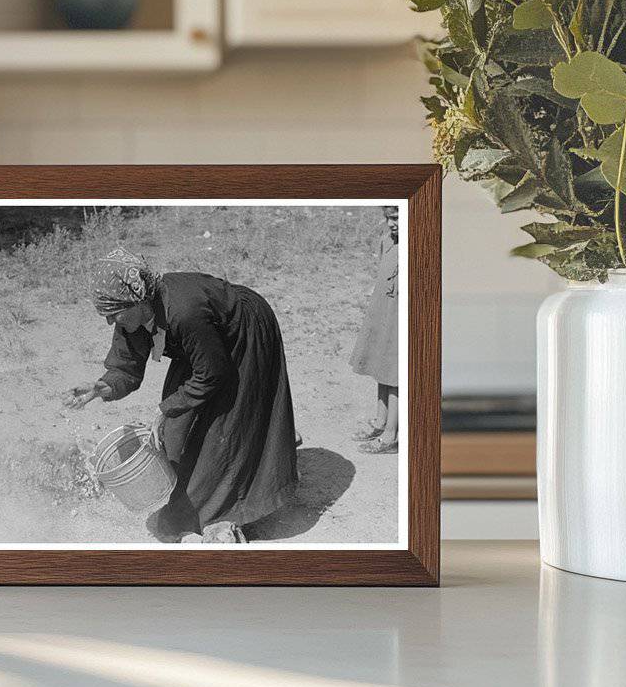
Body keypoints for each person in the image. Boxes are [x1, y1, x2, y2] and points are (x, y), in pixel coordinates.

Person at [67, 247, 298, 543]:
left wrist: (165, 409)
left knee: (228, 427)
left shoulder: (183, 311)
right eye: (106, 315)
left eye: (113, 314)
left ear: (137, 301)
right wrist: (99, 388)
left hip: (243, 332)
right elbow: (126, 366)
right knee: (178, 427)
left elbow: (212, 374)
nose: (110, 322)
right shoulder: (133, 312)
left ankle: (230, 508)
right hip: (205, 345)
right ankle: (197, 490)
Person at [349, 207, 399, 455]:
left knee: (396, 373)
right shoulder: (388, 241)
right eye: (387, 218)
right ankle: (381, 421)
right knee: (382, 365)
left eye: (396, 218)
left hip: (401, 315)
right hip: (384, 312)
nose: (390, 224)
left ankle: (391, 434)